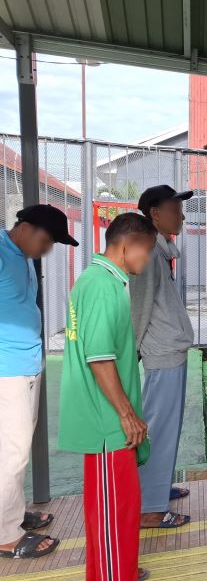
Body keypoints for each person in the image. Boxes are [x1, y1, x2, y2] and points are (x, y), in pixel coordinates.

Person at [58, 213, 157, 581]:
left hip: (109, 423)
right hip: (107, 424)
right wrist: (127, 414)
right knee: (114, 516)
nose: (147, 259)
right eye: (147, 250)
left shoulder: (103, 281)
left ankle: (116, 570)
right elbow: (99, 358)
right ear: (127, 245)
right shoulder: (101, 285)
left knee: (116, 514)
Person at [0, 205, 76, 559]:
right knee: (11, 453)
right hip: (6, 370)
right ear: (26, 228)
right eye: (46, 241)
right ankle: (5, 535)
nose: (47, 249)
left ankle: (11, 515)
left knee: (15, 450)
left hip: (26, 365)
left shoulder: (26, 258)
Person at [130, 185, 194, 529]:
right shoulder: (149, 252)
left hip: (171, 352)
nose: (181, 216)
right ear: (155, 214)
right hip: (161, 354)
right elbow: (138, 308)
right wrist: (134, 353)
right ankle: (150, 507)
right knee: (158, 428)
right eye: (175, 209)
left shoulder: (160, 249)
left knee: (168, 428)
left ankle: (157, 487)